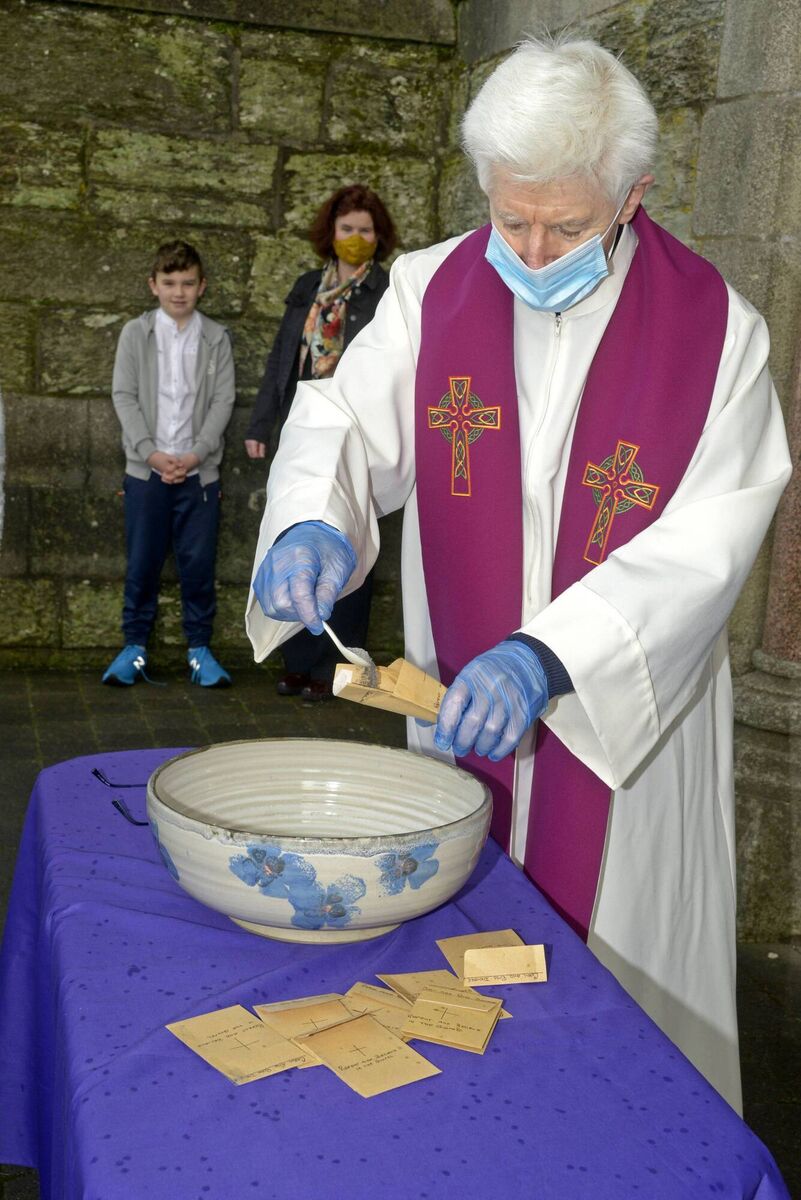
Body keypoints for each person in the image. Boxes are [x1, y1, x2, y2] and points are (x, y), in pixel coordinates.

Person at [244, 37, 791, 1112]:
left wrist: (551, 655)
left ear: (634, 194)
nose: (535, 251)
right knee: (451, 1009)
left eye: (569, 226)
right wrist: (311, 521)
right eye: (511, 218)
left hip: (625, 728)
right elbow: (345, 423)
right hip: (460, 702)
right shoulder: (430, 290)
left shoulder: (718, 335)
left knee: (620, 1032)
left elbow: (711, 539)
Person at [244, 184, 397, 700]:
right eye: (347, 229)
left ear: (380, 237)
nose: (356, 239)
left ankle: (337, 664)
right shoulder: (307, 286)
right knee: (294, 535)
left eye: (365, 231)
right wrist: (259, 424)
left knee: (349, 545)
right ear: (330, 233)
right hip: (302, 430)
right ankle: (297, 662)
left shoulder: (387, 293)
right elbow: (283, 358)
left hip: (360, 435)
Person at [103, 239, 235, 688]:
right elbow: (124, 396)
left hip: (198, 472)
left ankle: (200, 650)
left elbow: (223, 401)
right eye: (169, 282)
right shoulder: (135, 335)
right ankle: (133, 648)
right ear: (153, 286)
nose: (179, 291)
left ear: (202, 287)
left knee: (198, 565)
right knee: (142, 562)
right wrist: (151, 454)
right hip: (147, 470)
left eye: (188, 283)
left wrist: (195, 454)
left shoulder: (215, 338)